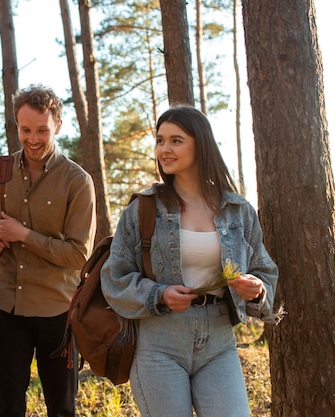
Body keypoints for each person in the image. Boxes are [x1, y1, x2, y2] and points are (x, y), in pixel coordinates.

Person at [101, 105, 280, 417]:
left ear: (201, 143)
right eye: (160, 140)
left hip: (220, 341)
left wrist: (257, 290)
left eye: (176, 140)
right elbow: (114, 277)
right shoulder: (143, 209)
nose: (164, 149)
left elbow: (264, 270)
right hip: (159, 343)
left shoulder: (238, 211)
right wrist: (159, 295)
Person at [0, 84, 96, 417]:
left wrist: (23, 234)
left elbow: (79, 255)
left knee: (61, 407)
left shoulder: (77, 182)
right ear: (16, 126)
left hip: (57, 311)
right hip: (6, 307)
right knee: (7, 407)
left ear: (58, 125)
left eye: (42, 129)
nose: (33, 138)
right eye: (25, 130)